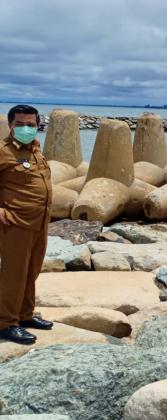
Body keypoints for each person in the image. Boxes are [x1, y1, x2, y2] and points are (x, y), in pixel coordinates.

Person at [0, 105, 54, 344]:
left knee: (31, 272)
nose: (26, 128)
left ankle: (24, 315)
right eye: (20, 124)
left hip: (39, 222)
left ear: (38, 125)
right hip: (15, 222)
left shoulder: (35, 150)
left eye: (31, 125)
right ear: (11, 126)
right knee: (13, 274)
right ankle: (5, 323)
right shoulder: (3, 151)